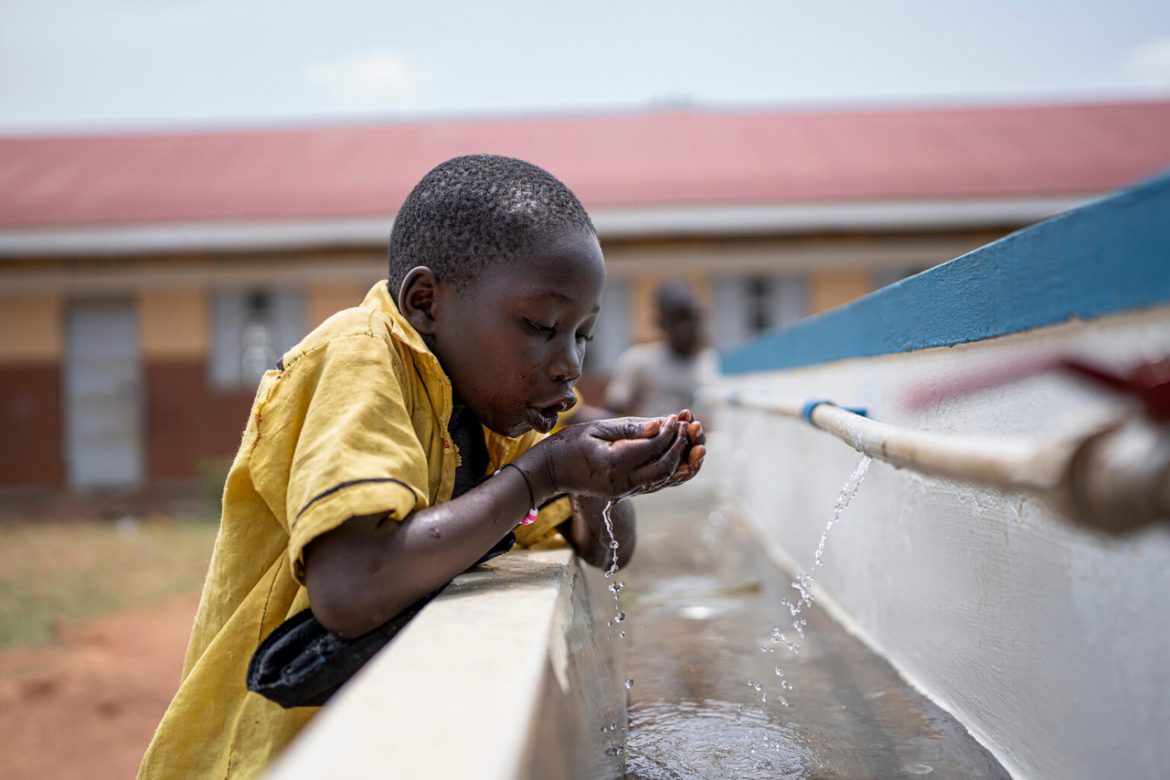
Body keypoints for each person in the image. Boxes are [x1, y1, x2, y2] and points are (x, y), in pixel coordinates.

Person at [138, 155, 705, 778]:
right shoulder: (358, 358)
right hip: (268, 756)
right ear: (426, 302)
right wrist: (545, 474)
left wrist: (598, 481)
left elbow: (606, 550)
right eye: (541, 325)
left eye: (583, 335)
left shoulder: (497, 413)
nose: (569, 362)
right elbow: (351, 588)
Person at [605, 280, 719, 420]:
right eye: (677, 320)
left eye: (690, 318)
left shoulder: (712, 362)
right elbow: (611, 413)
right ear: (661, 323)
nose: (686, 327)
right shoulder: (639, 361)